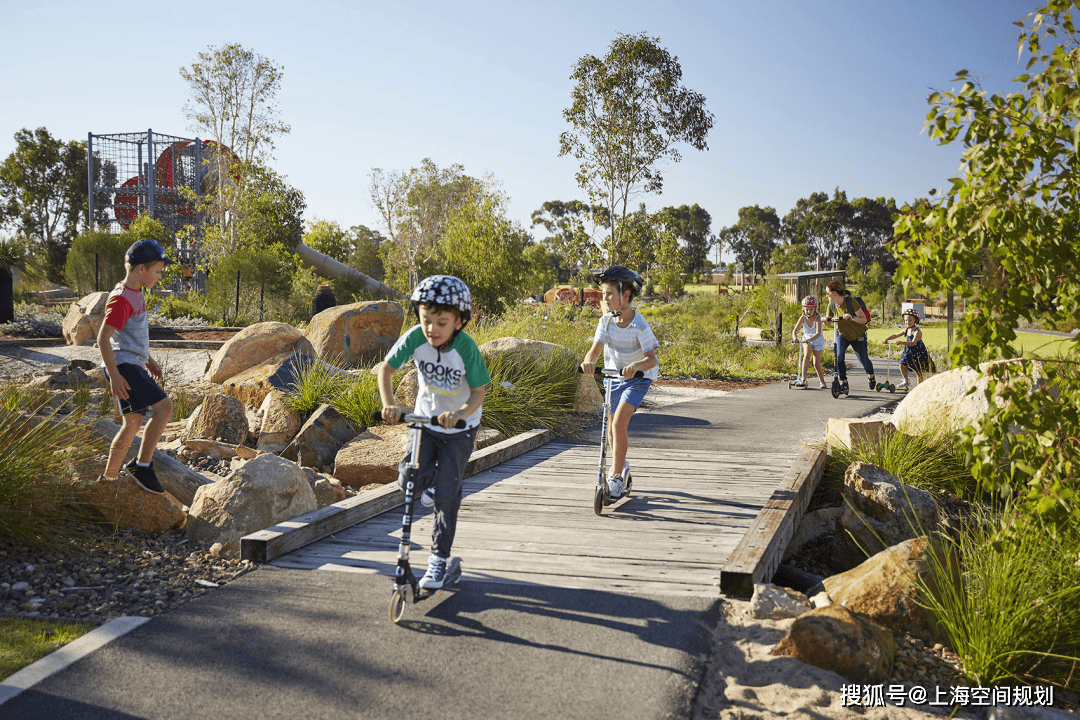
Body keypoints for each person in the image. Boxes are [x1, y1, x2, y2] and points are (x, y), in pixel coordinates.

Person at [377, 275, 489, 590]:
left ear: (459, 321)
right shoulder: (415, 338)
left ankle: (438, 560)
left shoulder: (466, 348)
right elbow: (386, 369)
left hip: (460, 427)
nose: (432, 329)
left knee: (446, 495)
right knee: (407, 480)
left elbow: (478, 393)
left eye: (441, 323)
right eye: (426, 320)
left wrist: (459, 414)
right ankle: (432, 485)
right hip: (425, 421)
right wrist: (389, 404)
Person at [98, 239, 175, 493]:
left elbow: (128, 337)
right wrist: (114, 375)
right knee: (164, 408)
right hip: (123, 367)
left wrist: (148, 360)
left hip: (131, 364)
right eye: (158, 272)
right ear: (141, 269)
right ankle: (142, 466)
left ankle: (108, 480)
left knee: (132, 422)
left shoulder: (135, 292)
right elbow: (103, 339)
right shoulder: (122, 299)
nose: (159, 277)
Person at [580, 266, 659, 498]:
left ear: (625, 296)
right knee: (611, 430)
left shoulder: (639, 324)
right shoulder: (605, 322)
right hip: (613, 377)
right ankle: (621, 466)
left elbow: (651, 359)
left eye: (609, 294)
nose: (604, 299)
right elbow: (595, 351)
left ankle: (615, 477)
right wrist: (588, 362)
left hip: (638, 379)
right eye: (603, 294)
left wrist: (635, 366)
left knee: (618, 424)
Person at [823, 280, 876, 393]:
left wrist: (851, 317)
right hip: (842, 335)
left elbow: (864, 319)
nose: (826, 296)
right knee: (839, 357)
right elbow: (828, 322)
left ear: (834, 293)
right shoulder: (831, 305)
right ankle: (843, 382)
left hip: (857, 334)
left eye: (827, 293)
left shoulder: (851, 302)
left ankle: (871, 375)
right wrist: (824, 320)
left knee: (863, 360)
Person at [884, 308, 933, 389]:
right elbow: (895, 335)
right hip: (908, 351)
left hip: (917, 352)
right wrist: (886, 339)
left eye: (910, 320)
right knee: (902, 364)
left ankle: (920, 387)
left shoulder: (917, 332)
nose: (907, 322)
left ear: (915, 320)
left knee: (918, 371)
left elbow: (913, 343)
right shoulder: (906, 330)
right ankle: (906, 381)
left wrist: (901, 342)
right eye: (906, 320)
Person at [790, 295, 827, 389]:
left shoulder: (817, 319)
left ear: (815, 309)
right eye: (806, 309)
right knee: (806, 356)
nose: (809, 311)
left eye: (811, 309)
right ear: (803, 309)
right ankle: (803, 379)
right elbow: (795, 330)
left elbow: (818, 333)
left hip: (817, 340)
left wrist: (810, 339)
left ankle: (822, 381)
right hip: (807, 340)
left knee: (816, 363)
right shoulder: (803, 318)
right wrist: (795, 338)